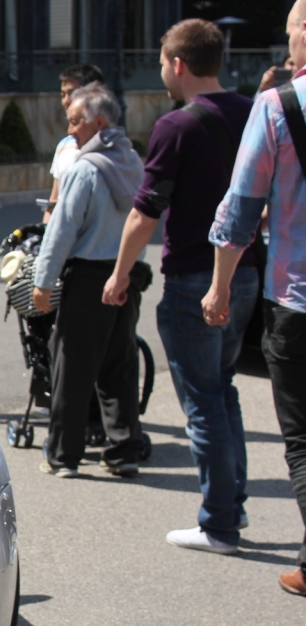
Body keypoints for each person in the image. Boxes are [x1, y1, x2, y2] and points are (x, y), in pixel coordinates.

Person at [106, 20, 256, 553]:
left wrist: (120, 273)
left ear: (178, 64)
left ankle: (219, 522)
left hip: (195, 276)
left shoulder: (177, 125)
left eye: (164, 63)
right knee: (223, 389)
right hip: (244, 272)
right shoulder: (253, 111)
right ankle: (230, 506)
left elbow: (145, 213)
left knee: (203, 402)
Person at [209, 0, 306, 596]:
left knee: (301, 438)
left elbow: (242, 205)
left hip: (297, 301)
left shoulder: (278, 106)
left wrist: (220, 284)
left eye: (292, 25)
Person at [32, 85, 146, 478]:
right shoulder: (131, 161)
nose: (71, 128)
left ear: (99, 122)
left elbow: (62, 230)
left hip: (89, 276)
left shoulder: (85, 168)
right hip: (126, 273)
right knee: (119, 364)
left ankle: (63, 455)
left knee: (72, 366)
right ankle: (124, 449)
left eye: (76, 121)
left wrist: (43, 281)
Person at [44, 64, 105, 223]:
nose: (66, 101)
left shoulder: (113, 147)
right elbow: (53, 202)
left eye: (72, 93)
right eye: (63, 94)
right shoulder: (64, 146)